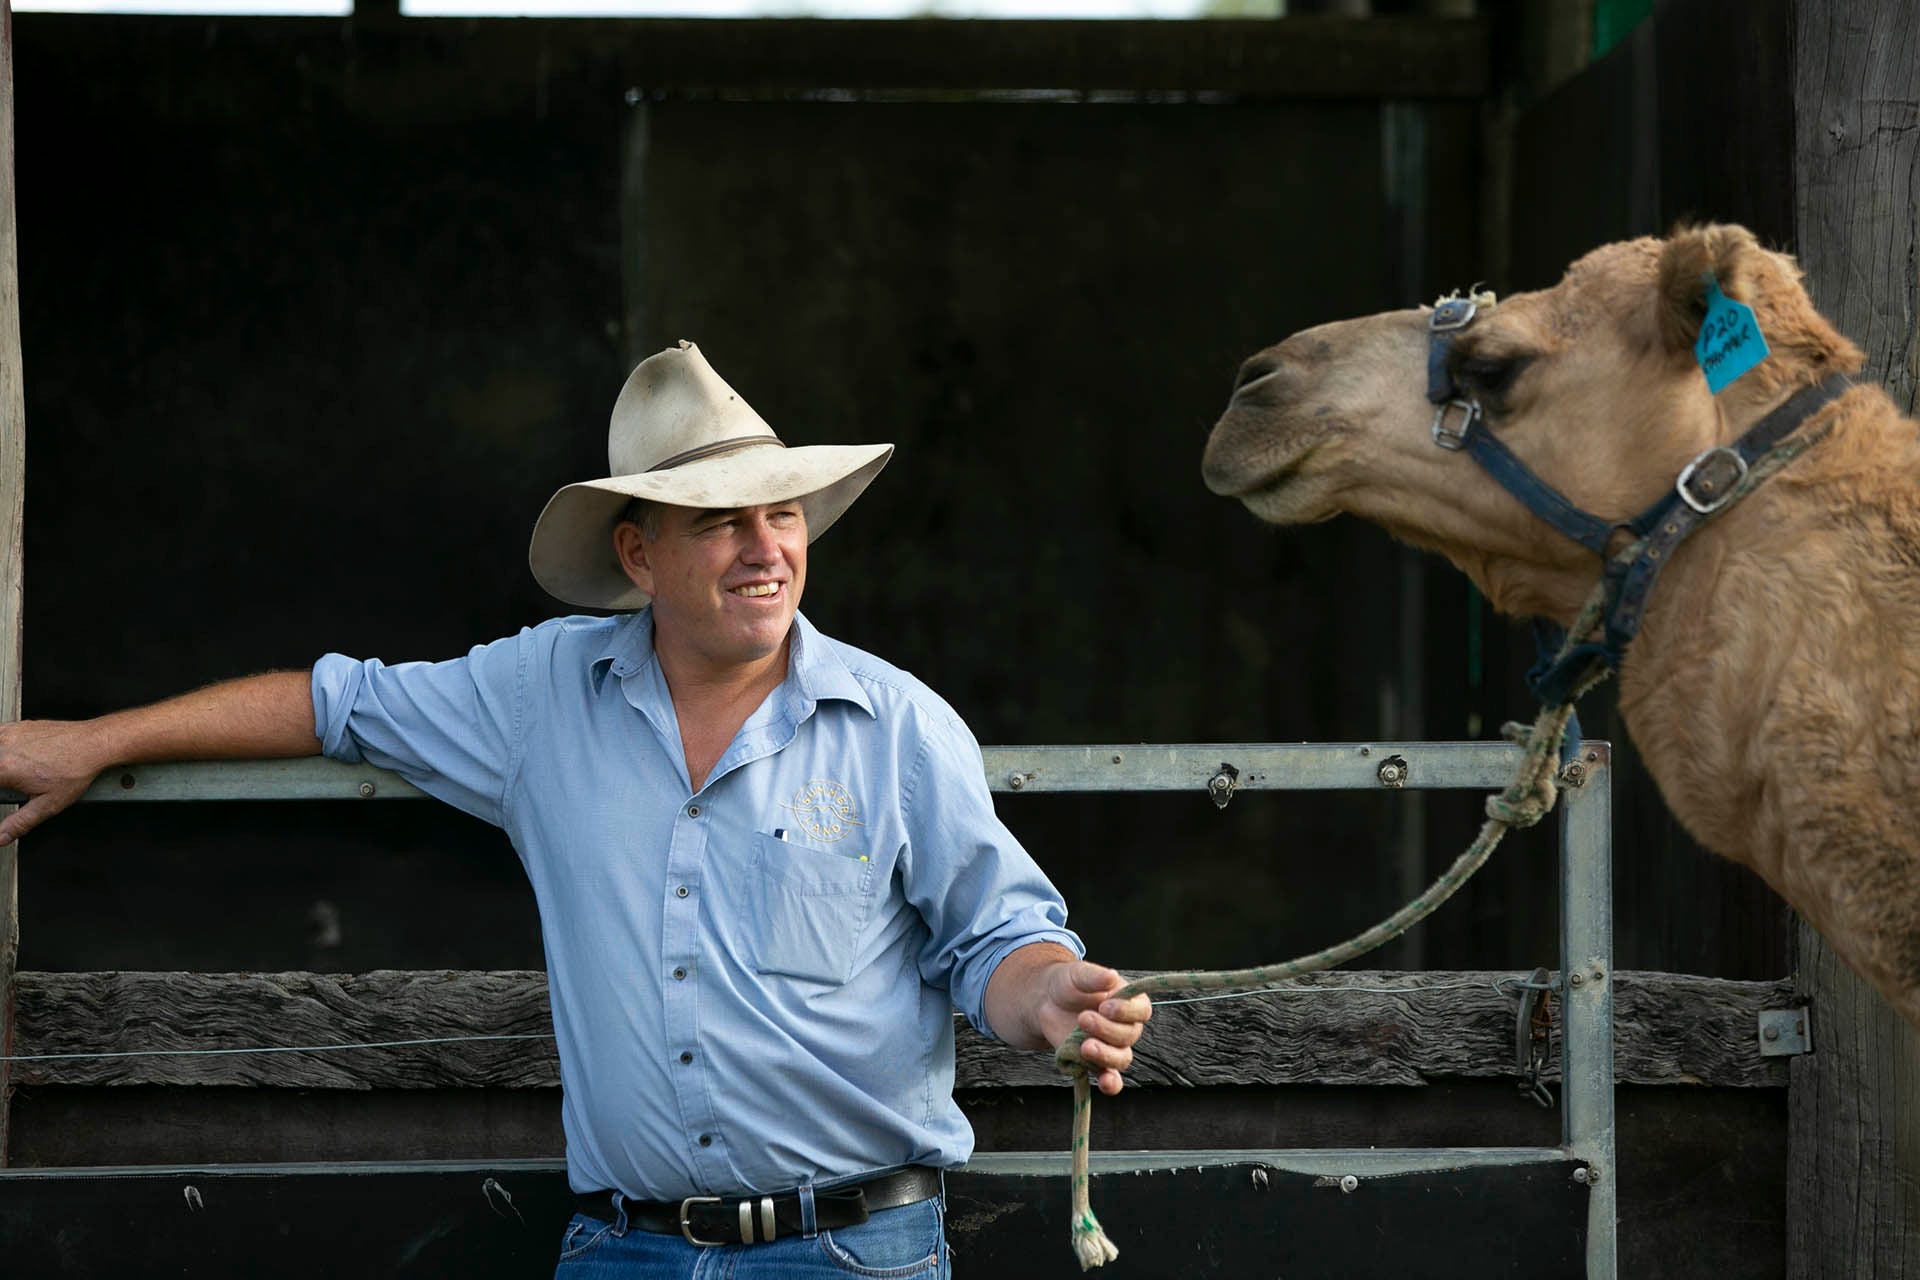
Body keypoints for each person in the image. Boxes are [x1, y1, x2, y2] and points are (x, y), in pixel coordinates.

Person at [0, 340, 1151, 1278]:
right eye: (720, 521)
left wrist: (1050, 992)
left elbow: (994, 937)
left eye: (783, 515)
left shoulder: (898, 724)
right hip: (623, 1248)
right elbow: (332, 700)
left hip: (854, 1248)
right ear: (638, 553)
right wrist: (98, 742)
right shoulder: (539, 693)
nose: (767, 549)